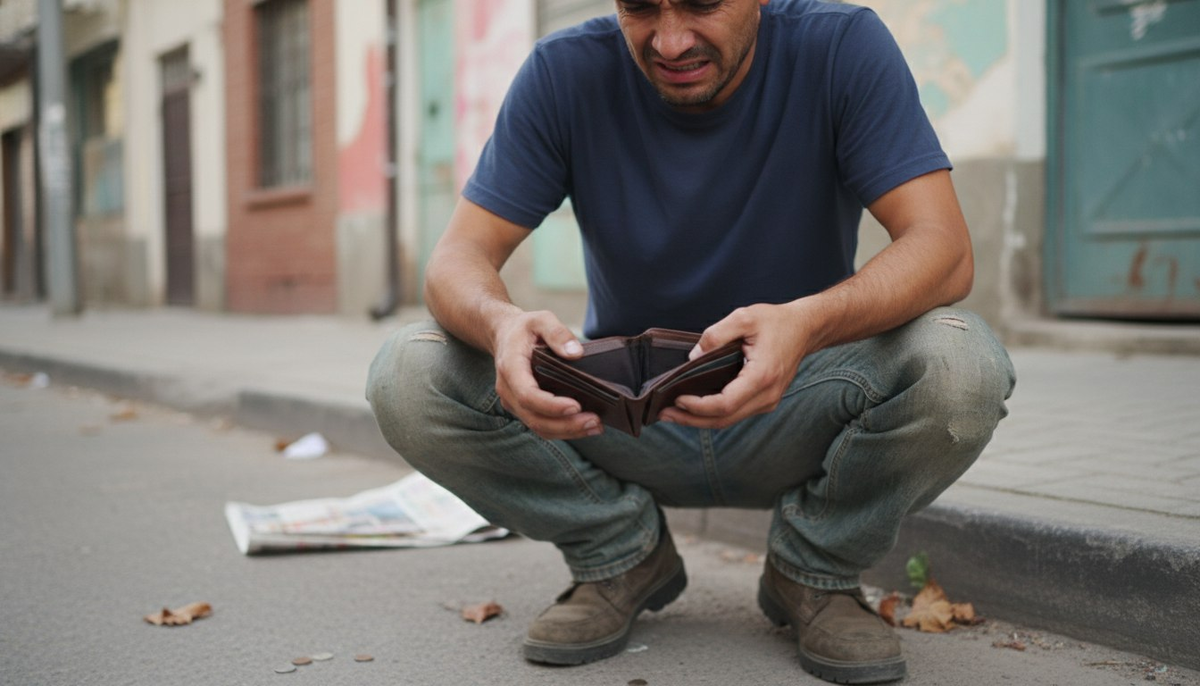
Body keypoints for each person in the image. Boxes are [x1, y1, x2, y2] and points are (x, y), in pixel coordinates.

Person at [367, 0, 1015, 682]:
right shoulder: (564, 71)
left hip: (798, 399)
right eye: (641, 7)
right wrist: (501, 327)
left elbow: (944, 249)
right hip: (625, 417)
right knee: (410, 370)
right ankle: (621, 556)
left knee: (960, 360)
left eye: (703, 3)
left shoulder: (842, 45)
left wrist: (808, 323)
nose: (670, 41)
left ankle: (815, 572)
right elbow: (457, 256)